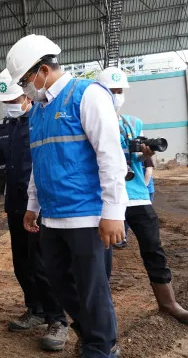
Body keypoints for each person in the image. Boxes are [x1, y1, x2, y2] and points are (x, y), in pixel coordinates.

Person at [7, 34, 128, 358]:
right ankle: (91, 334)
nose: (24, 88)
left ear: (43, 70)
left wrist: (114, 211)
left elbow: (110, 154)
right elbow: (39, 163)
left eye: (25, 80)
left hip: (87, 214)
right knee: (59, 283)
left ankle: (102, 347)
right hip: (53, 216)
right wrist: (33, 206)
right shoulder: (38, 113)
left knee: (92, 290)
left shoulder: (86, 95)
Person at [97, 67, 188, 324]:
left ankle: (168, 302)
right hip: (105, 196)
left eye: (120, 90)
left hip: (136, 193)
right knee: (100, 252)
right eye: (112, 90)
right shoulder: (90, 121)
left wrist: (147, 154)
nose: (117, 95)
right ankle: (102, 310)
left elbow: (139, 159)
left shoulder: (132, 122)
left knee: (153, 247)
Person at [0, 69, 68, 351]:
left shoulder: (40, 120)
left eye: (12, 98)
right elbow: (4, 166)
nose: (8, 105)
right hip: (14, 204)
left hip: (38, 205)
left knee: (43, 263)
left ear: (25, 95)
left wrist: (36, 204)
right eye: (4, 101)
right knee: (21, 261)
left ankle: (57, 319)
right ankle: (35, 309)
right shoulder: (4, 127)